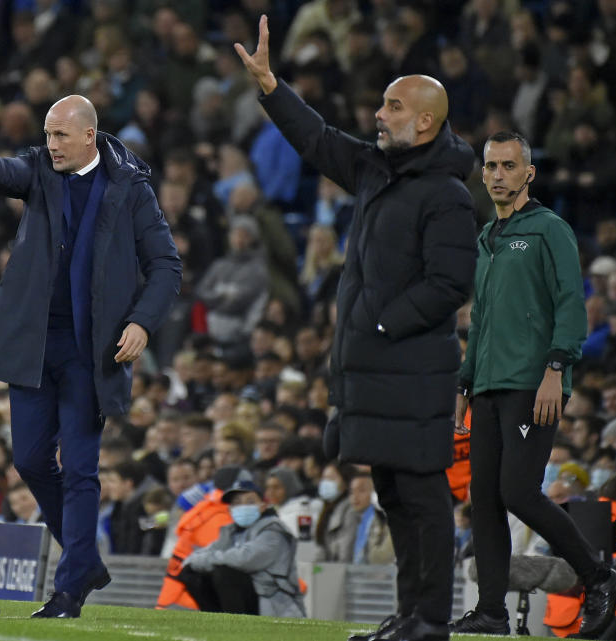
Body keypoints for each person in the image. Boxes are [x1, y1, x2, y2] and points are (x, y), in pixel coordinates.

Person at [236, 16, 477, 641]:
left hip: (413, 372)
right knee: (395, 498)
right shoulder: (377, 171)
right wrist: (270, 87)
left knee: (423, 502)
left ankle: (430, 620)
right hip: (378, 375)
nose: (379, 114)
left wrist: (379, 320)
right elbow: (317, 141)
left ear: (425, 121)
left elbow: (451, 283)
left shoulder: (447, 194)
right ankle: (408, 615)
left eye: (393, 106)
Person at [0, 95, 181, 618]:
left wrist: (141, 323)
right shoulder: (40, 167)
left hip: (91, 350)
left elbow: (166, 266)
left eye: (60, 135)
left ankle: (68, 591)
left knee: (80, 468)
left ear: (88, 136)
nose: (50, 144)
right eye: (47, 134)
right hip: (34, 344)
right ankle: (84, 559)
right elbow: (8, 173)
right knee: (30, 459)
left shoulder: (131, 189)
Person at [450, 131, 616, 637]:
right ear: (482, 174)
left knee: (518, 492)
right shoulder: (488, 237)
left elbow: (571, 303)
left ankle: (597, 576)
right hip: (487, 383)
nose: (498, 174)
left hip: (533, 381)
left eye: (508, 165)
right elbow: (480, 318)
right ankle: (491, 612)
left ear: (529, 172)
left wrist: (555, 369)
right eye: (491, 166)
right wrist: (464, 381)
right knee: (483, 495)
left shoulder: (550, 229)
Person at [178, 479, 306, 618]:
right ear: (230, 509)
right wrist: (192, 563)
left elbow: (244, 559)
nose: (243, 506)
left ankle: (237, 624)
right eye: (237, 503)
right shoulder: (232, 532)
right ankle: (216, 621)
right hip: (252, 597)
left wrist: (204, 560)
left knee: (224, 572)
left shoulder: (274, 531)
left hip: (273, 602)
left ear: (263, 506)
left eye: (250, 502)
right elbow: (199, 555)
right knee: (190, 573)